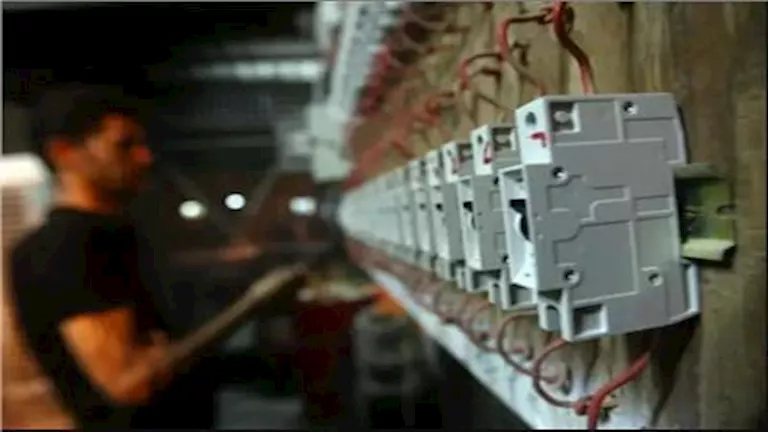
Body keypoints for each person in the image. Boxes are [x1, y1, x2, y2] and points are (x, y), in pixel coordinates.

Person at [5, 83, 185, 429]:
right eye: (124, 145)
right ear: (64, 152)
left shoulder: (111, 234)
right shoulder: (66, 245)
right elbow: (127, 383)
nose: (144, 158)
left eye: (142, 144)